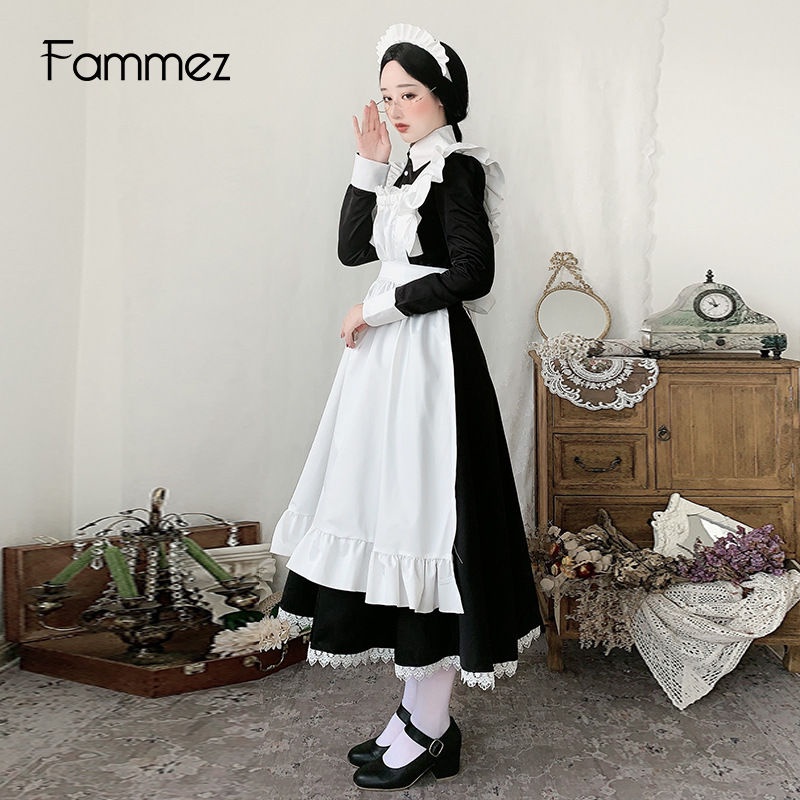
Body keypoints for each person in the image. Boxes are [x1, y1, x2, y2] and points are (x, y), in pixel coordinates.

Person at [270, 22, 541, 791]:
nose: (394, 108)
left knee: (425, 524)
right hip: (385, 366)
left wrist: (377, 311)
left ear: (442, 96)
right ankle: (418, 715)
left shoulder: (459, 168)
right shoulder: (403, 170)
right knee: (390, 516)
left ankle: (430, 725)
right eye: (386, 95)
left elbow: (472, 274)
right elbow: (355, 251)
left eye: (409, 94)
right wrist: (368, 163)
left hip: (429, 366)